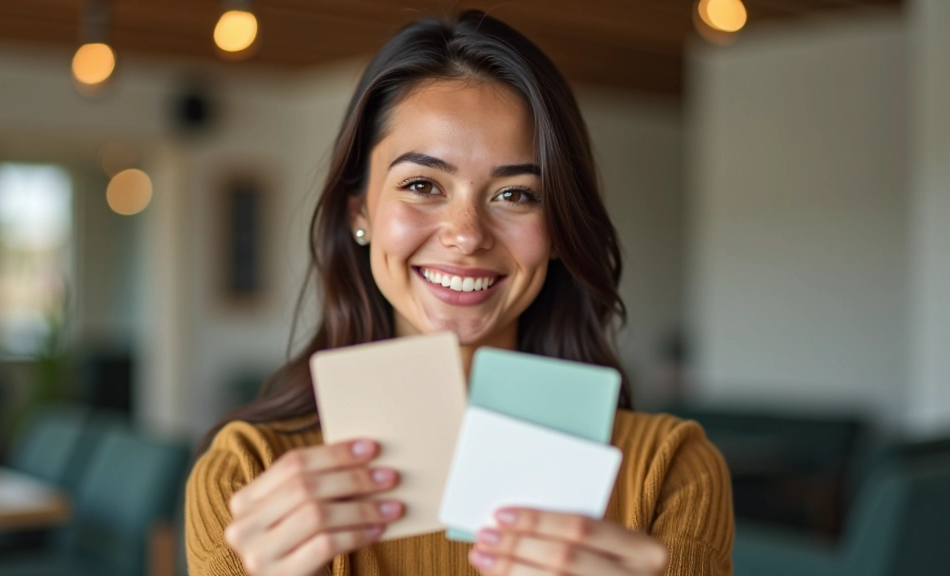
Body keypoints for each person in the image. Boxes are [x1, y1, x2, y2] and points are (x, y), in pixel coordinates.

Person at [186, 10, 733, 576]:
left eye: (517, 195)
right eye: (422, 185)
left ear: (560, 232)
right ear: (361, 211)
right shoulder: (248, 475)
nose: (467, 235)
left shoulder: (669, 471)